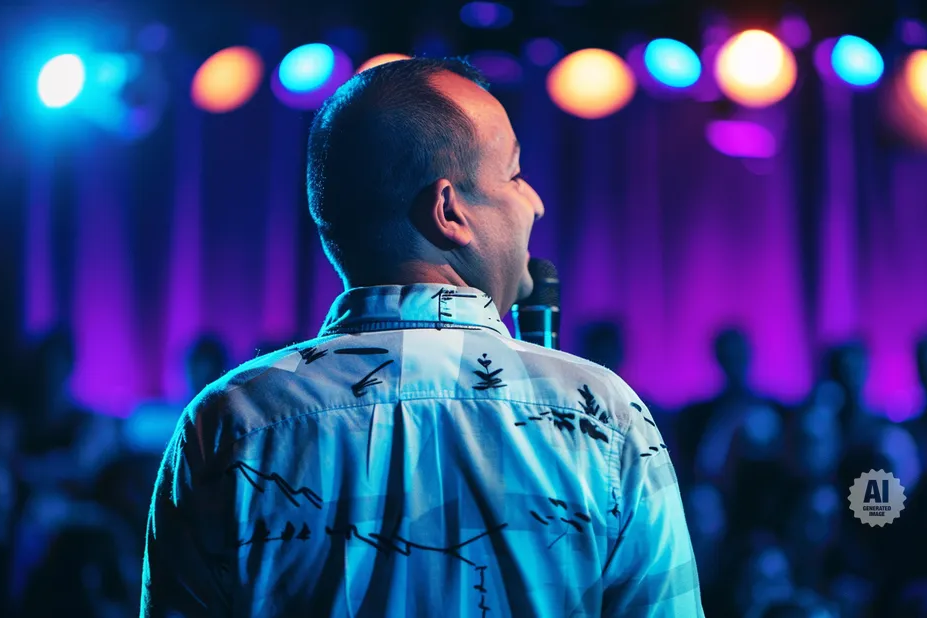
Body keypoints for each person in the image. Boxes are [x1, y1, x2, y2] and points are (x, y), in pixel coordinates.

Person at [141, 57, 703, 617]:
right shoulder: (600, 414)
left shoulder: (230, 422)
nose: (535, 202)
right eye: (513, 175)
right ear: (448, 211)